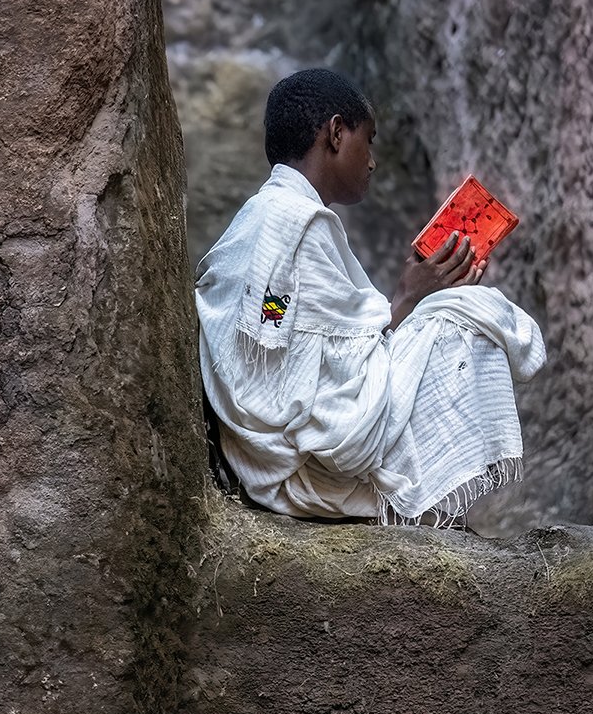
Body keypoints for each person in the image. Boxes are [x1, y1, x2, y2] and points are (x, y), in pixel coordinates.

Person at [195, 68, 546, 522]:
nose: (373, 161)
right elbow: (285, 340)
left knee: (444, 305)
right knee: (468, 311)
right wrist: (407, 297)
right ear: (337, 133)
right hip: (301, 468)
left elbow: (279, 328)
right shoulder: (297, 223)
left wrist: (414, 296)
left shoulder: (258, 219)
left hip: (259, 461)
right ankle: (427, 509)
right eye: (370, 139)